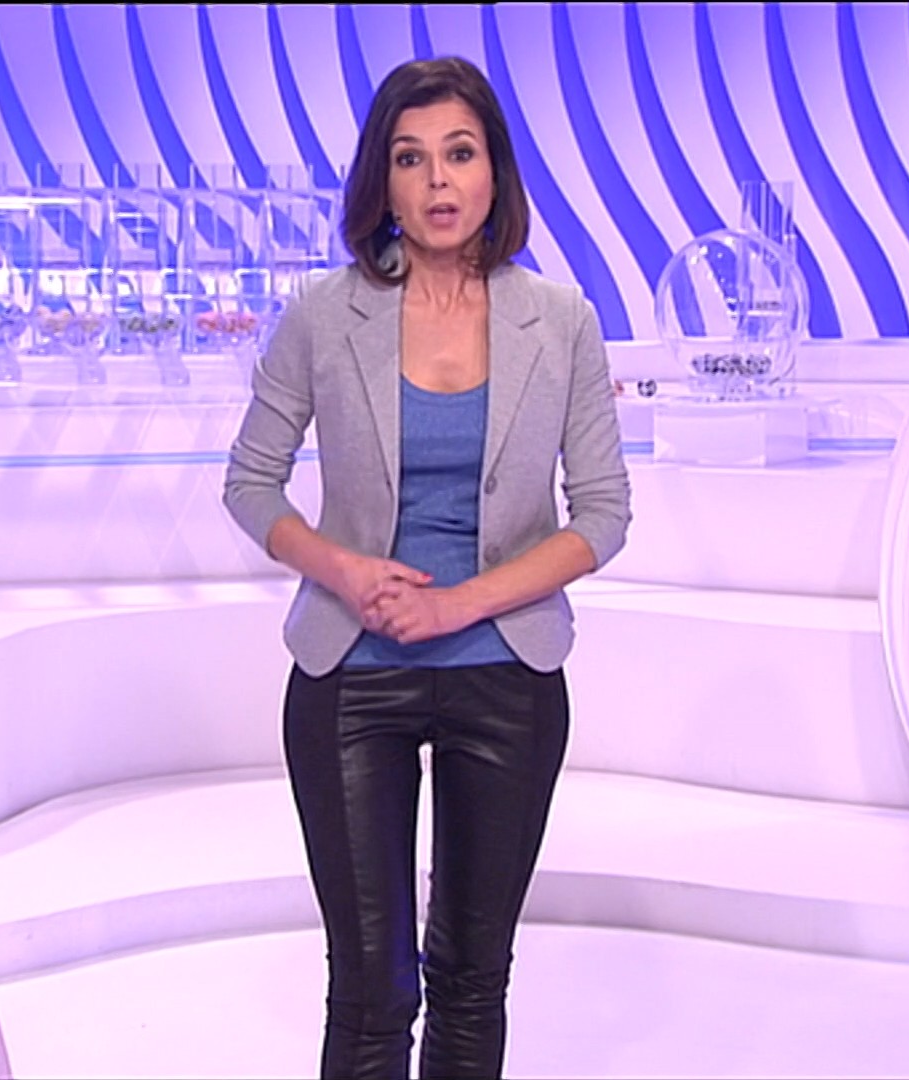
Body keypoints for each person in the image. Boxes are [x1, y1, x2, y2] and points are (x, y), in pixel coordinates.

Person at [222, 55, 632, 1080]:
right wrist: (346, 572)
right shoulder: (324, 314)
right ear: (384, 182)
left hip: (506, 676)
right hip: (350, 679)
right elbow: (251, 483)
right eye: (411, 159)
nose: (439, 181)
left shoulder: (562, 322)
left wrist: (462, 605)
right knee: (370, 993)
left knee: (470, 980)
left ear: (495, 172)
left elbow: (604, 515)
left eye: (460, 153)